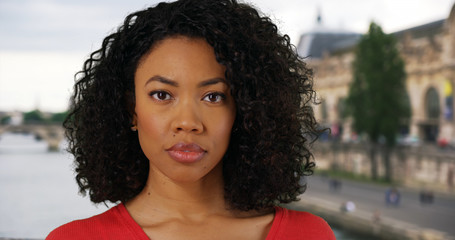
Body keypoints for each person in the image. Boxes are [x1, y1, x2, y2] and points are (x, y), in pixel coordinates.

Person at [46, 0, 335, 239]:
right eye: (161, 95)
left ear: (244, 111)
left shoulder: (309, 234)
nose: (187, 122)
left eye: (213, 97)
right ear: (130, 110)